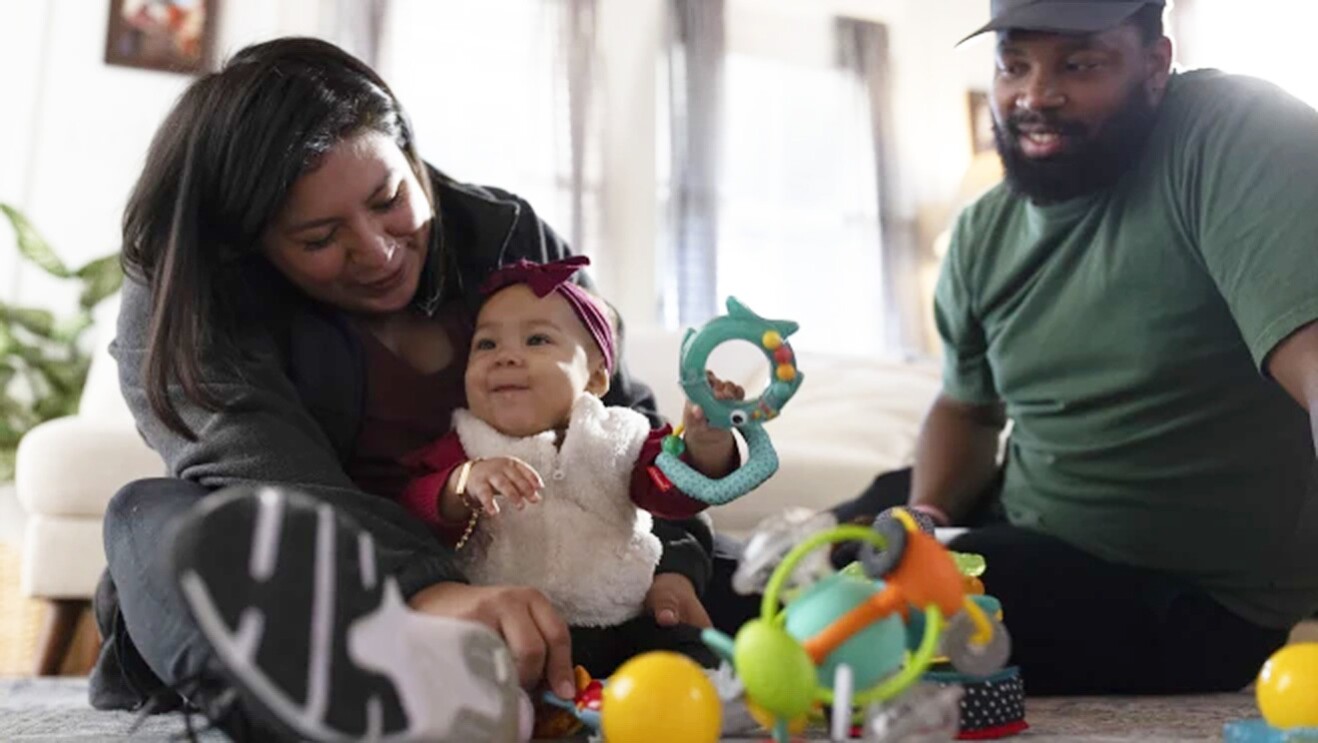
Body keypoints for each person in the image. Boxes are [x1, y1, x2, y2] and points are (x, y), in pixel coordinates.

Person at [89, 37, 719, 742]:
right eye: (322, 237)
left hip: (557, 588)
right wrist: (423, 591)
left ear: (411, 156)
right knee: (148, 517)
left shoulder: (504, 234)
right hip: (339, 600)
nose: (380, 251)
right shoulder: (197, 287)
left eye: (389, 199)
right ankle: (345, 704)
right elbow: (262, 473)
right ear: (253, 245)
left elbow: (619, 423)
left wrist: (676, 566)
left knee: (786, 565)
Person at [826, 0, 1318, 695]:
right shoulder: (981, 233)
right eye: (1014, 65)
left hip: (1190, 593)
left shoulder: (1234, 135)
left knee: (861, 617)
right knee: (821, 551)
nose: (1035, 95)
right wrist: (929, 513)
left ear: (1156, 63)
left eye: (1079, 64)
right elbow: (965, 411)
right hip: (1017, 521)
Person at [400, 255, 744, 676]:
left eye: (537, 340)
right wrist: (461, 484)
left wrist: (704, 442)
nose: (506, 357)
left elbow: (673, 493)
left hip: (626, 617)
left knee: (691, 657)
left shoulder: (619, 435)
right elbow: (413, 506)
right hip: (520, 628)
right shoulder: (467, 443)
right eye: (486, 344)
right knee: (472, 673)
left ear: (597, 378)